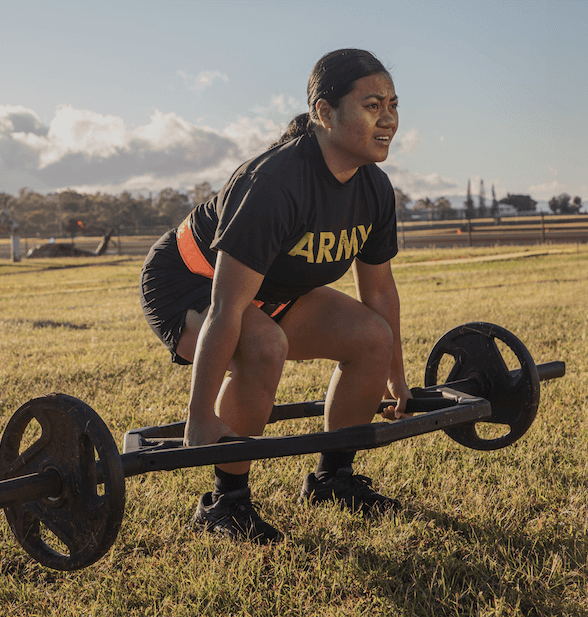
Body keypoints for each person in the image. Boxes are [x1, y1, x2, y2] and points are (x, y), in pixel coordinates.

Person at [139, 49, 410, 543]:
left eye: (393, 104)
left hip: (273, 291)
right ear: (324, 114)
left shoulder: (374, 189)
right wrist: (200, 418)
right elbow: (227, 308)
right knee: (263, 345)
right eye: (373, 105)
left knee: (373, 336)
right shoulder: (274, 184)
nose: (389, 117)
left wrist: (397, 376)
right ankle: (225, 502)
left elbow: (379, 291)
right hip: (189, 280)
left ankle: (333, 479)